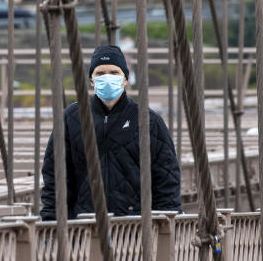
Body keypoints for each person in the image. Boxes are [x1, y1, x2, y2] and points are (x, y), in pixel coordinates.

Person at [40, 44, 181, 220]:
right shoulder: (71, 119)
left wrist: (166, 226)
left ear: (125, 79)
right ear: (91, 80)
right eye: (100, 73)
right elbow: (55, 177)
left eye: (114, 73)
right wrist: (51, 223)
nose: (107, 78)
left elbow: (166, 178)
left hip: (134, 227)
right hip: (84, 227)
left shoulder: (148, 121)